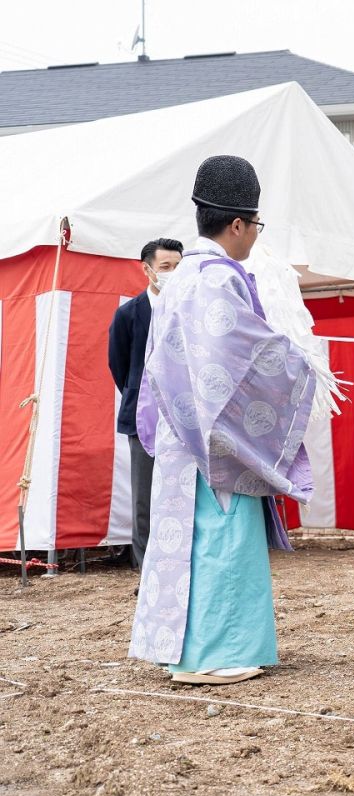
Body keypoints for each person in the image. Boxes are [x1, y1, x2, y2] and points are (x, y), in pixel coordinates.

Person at [129, 155, 319, 685]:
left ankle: (186, 650)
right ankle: (214, 654)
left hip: (179, 432)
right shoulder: (216, 280)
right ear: (237, 223)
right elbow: (239, 359)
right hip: (214, 438)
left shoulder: (180, 278)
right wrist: (302, 362)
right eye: (256, 226)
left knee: (187, 543)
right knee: (219, 541)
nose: (256, 236)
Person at [108, 238, 183, 572]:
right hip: (144, 419)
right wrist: (140, 399)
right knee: (145, 500)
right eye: (166, 267)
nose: (172, 274)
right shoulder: (128, 314)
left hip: (184, 418)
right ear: (147, 269)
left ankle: (181, 565)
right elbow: (119, 366)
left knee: (180, 497)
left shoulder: (188, 307)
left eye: (179, 267)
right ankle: (147, 570)